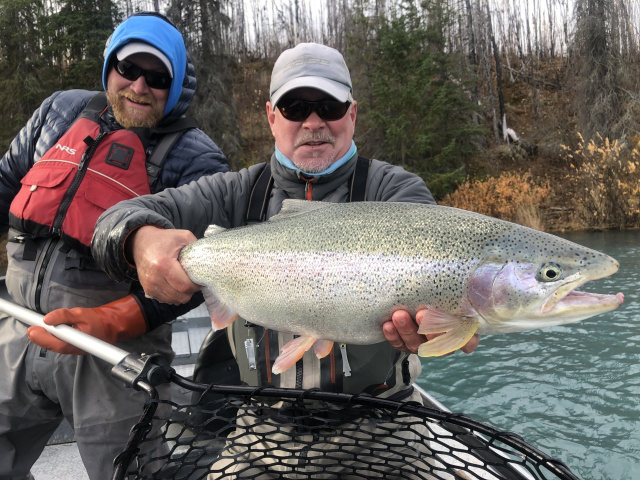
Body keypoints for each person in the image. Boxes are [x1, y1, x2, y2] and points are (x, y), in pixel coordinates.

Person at [89, 42, 479, 477]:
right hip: (259, 432)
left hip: (385, 424)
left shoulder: (396, 193)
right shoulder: (233, 194)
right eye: (296, 107)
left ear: (352, 114)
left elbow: (448, 280)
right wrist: (139, 241)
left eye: (328, 106)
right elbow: (110, 222)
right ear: (272, 116)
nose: (314, 122)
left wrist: (445, 325)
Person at [0, 12, 229, 480]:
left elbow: (198, 274)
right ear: (109, 68)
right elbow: (5, 182)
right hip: (17, 325)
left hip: (114, 352)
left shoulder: (197, 157)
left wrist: (114, 319)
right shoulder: (58, 112)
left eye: (158, 77)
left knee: (131, 471)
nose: (139, 86)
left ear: (178, 84)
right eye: (128, 69)